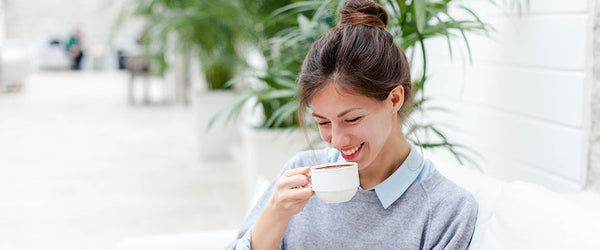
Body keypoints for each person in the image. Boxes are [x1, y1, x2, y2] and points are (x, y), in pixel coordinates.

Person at [227, 0, 478, 249]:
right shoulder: (301, 175)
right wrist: (276, 213)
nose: (337, 141)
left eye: (352, 119)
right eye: (323, 122)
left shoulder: (447, 210)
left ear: (394, 99)